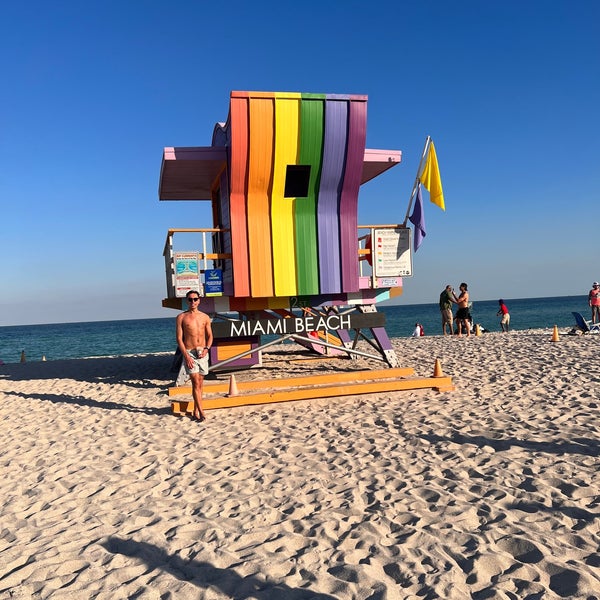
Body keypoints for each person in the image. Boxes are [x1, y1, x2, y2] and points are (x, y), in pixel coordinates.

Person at [176, 290, 214, 422]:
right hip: (190, 353)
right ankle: (202, 412)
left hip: (202, 352)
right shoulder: (181, 317)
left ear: (199, 300)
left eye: (195, 299)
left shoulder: (205, 317)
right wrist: (186, 356)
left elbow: (210, 336)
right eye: (190, 299)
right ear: (187, 301)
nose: (193, 302)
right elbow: (179, 339)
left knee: (200, 383)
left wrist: (207, 349)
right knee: (195, 381)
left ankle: (195, 410)